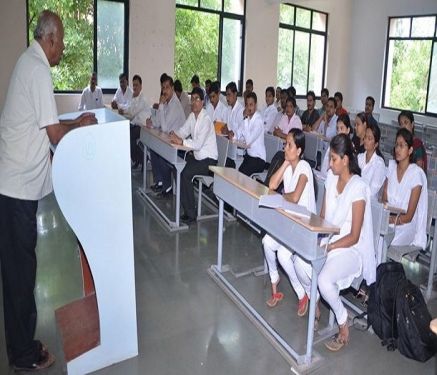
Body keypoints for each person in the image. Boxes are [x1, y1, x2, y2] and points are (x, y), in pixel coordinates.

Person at [0, 10, 97, 371]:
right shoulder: (38, 68)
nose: (63, 50)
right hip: (16, 191)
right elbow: (54, 135)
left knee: (18, 271)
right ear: (51, 39)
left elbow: (49, 124)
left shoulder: (29, 62)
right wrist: (80, 130)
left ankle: (21, 345)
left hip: (14, 187)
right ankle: (24, 354)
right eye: (63, 43)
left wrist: (77, 120)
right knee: (20, 274)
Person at [295, 134, 375, 352]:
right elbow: (323, 217)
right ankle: (315, 300)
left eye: (333, 159)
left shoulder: (358, 187)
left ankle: (342, 322)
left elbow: (355, 235)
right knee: (297, 261)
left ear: (346, 159)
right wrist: (317, 238)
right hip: (329, 241)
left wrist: (329, 246)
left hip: (349, 250)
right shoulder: (331, 178)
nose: (329, 164)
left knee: (324, 279)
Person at [262, 129, 316, 314]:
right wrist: (285, 162)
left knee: (284, 256)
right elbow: (272, 185)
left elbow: (295, 197)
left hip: (304, 225)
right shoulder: (288, 168)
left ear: (299, 151)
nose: (286, 147)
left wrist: (282, 197)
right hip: (290, 221)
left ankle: (302, 295)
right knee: (267, 242)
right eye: (285, 144)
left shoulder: (304, 168)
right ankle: (275, 282)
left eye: (290, 145)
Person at [169, 87, 218, 223]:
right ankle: (187, 208)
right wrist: (173, 135)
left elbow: (197, 145)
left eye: (197, 99)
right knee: (176, 167)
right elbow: (183, 131)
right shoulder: (192, 116)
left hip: (209, 161)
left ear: (202, 102)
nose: (194, 102)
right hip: (198, 158)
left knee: (185, 173)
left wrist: (181, 141)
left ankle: (191, 213)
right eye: (192, 99)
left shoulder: (206, 120)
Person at [383, 128, 427, 250]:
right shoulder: (391, 168)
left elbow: (409, 216)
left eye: (402, 146)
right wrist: (387, 218)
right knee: (372, 231)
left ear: (410, 150)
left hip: (406, 226)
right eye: (396, 145)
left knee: (382, 238)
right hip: (390, 220)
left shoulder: (416, 174)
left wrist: (391, 220)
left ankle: (379, 268)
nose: (397, 149)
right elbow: (384, 199)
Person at [147, 74, 185, 195]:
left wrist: (161, 105)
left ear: (172, 88)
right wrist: (151, 122)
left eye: (167, 87)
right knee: (154, 148)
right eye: (163, 88)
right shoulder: (167, 103)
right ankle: (160, 182)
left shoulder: (174, 105)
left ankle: (168, 187)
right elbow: (159, 122)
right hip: (169, 141)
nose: (165, 90)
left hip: (179, 147)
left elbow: (164, 127)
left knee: (161, 152)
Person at [229, 92, 266, 176]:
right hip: (249, 156)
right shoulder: (247, 119)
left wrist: (245, 119)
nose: (249, 108)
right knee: (237, 175)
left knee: (241, 177)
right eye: (247, 105)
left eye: (251, 104)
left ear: (255, 105)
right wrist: (233, 136)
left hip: (258, 159)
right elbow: (239, 133)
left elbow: (248, 141)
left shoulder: (258, 121)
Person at [119, 74, 151, 169]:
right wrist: (122, 110)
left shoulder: (143, 99)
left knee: (128, 136)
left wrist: (123, 111)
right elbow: (129, 107)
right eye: (133, 85)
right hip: (135, 124)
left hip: (143, 127)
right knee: (124, 134)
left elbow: (132, 113)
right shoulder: (134, 97)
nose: (135, 87)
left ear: (141, 86)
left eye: (137, 85)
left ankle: (142, 159)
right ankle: (137, 159)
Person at [357, 122, 386, 198]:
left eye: (369, 139)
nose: (366, 140)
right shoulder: (359, 157)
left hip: (369, 202)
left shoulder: (379, 164)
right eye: (365, 137)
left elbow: (372, 191)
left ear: (376, 144)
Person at [221, 81, 244, 168]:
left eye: (229, 95)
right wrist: (224, 129)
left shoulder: (240, 111)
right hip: (228, 146)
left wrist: (228, 131)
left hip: (237, 149)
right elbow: (225, 126)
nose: (227, 98)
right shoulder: (228, 109)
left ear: (235, 94)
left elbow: (240, 134)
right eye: (226, 95)